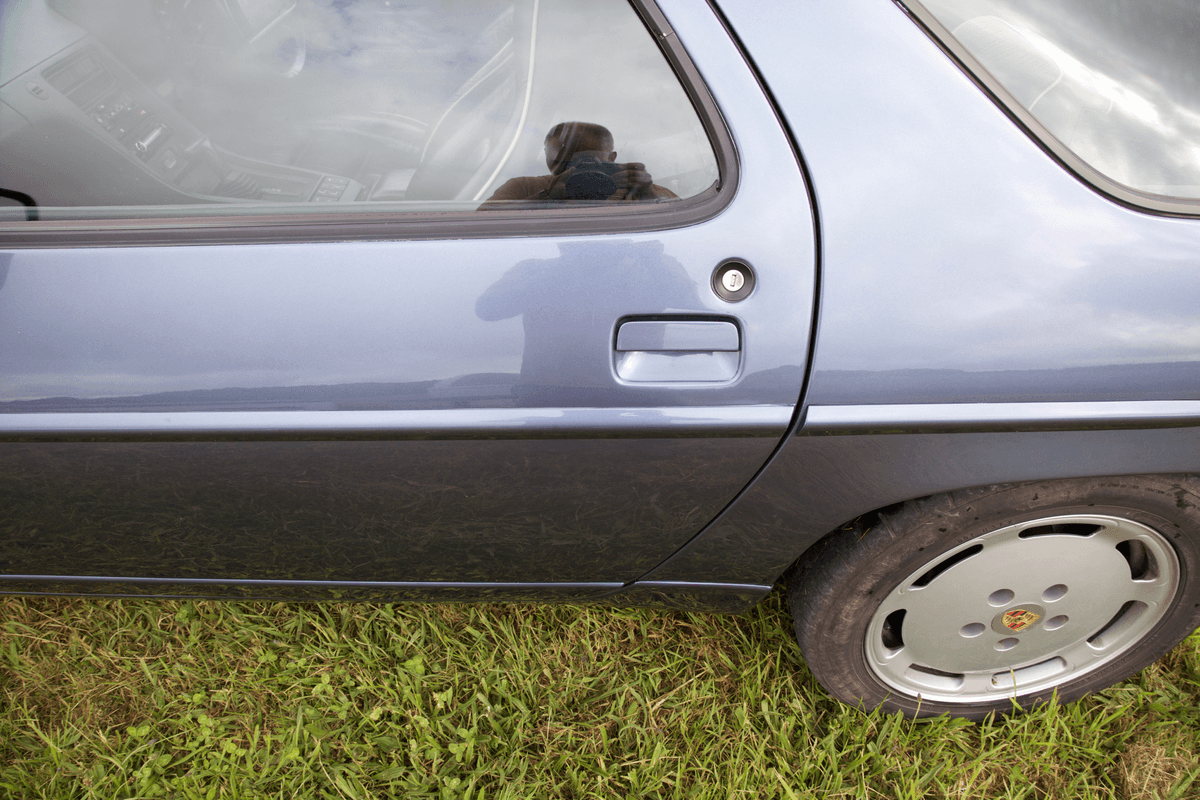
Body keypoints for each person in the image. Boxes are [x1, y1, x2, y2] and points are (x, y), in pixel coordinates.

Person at [478, 122, 678, 208]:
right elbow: (482, 225)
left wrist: (647, 194)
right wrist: (547, 196)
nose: (582, 166)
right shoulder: (523, 188)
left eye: (591, 159)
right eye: (565, 158)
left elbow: (680, 223)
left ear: (613, 158)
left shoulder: (634, 186)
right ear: (548, 158)